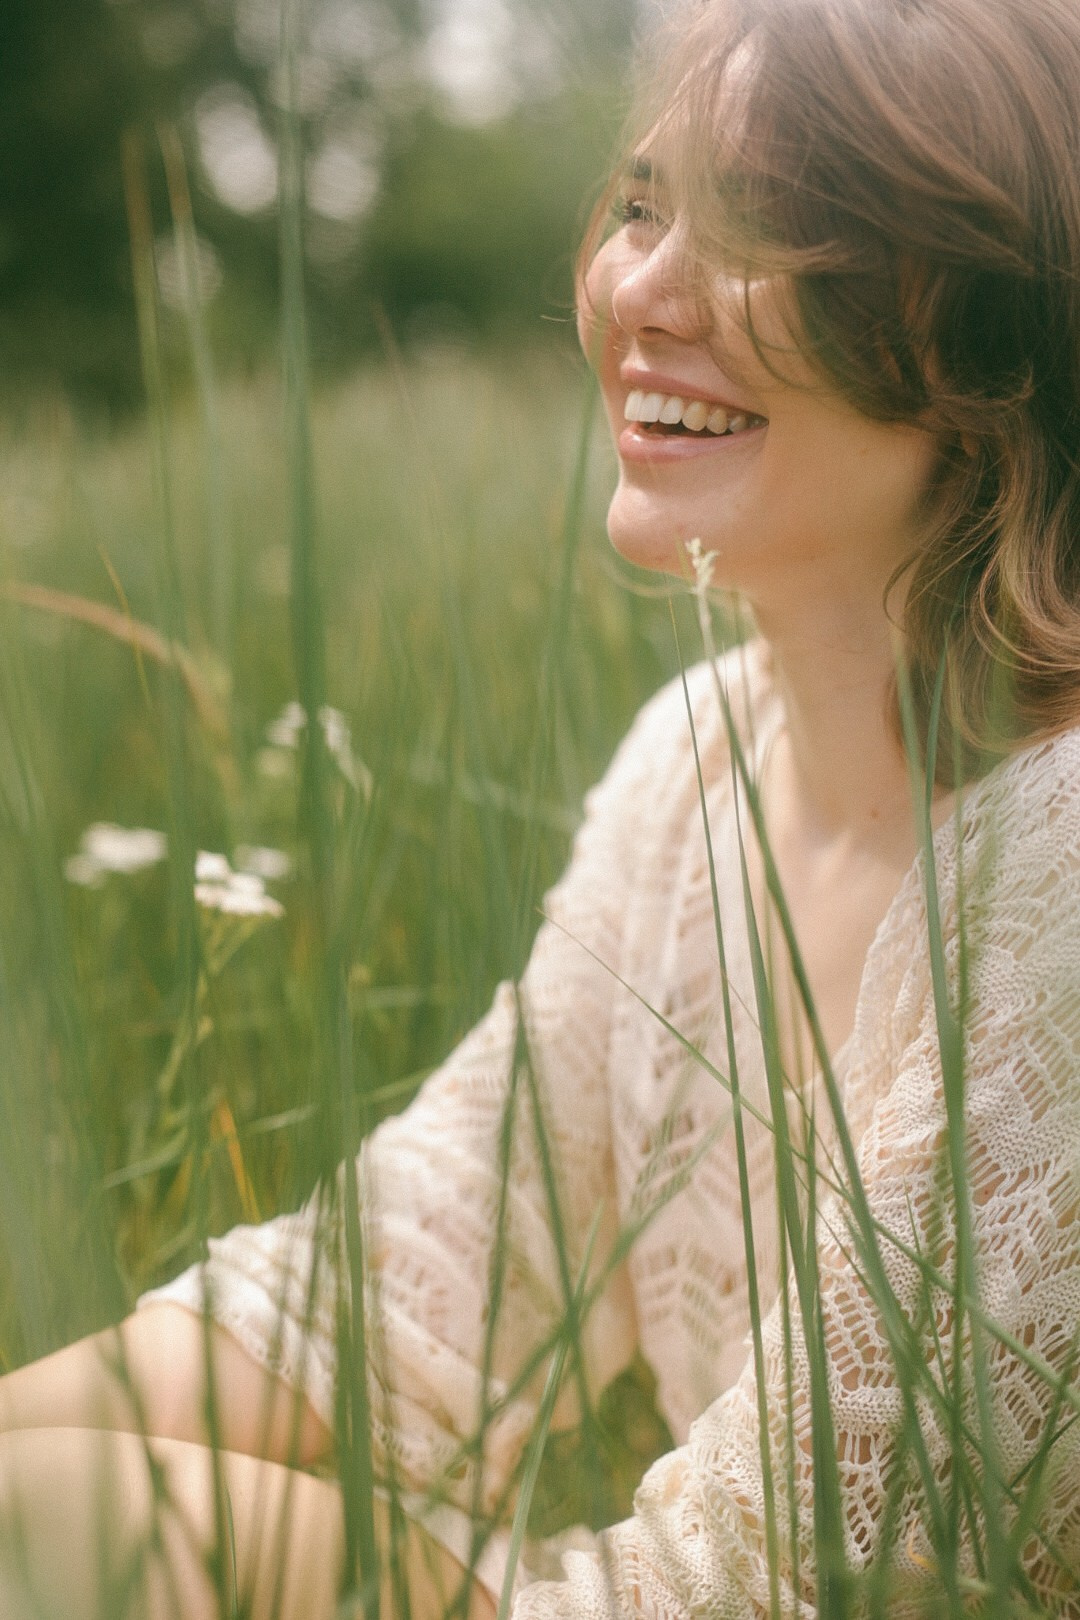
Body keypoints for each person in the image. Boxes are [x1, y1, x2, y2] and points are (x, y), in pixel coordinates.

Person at [4, 0, 1080, 1612]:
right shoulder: (699, 763)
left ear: (996, 326)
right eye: (645, 205)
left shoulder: (1057, 874)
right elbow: (408, 1274)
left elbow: (749, 1592)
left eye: (768, 225)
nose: (640, 291)